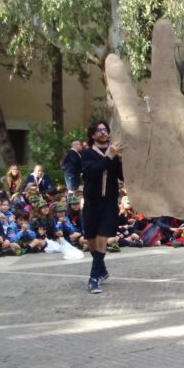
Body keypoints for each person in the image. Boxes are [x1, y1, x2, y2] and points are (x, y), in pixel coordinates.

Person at [81, 121, 124, 294]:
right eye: (99, 130)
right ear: (93, 135)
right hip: (92, 202)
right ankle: (102, 269)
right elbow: (92, 173)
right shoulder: (87, 154)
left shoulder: (115, 155)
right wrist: (109, 156)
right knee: (91, 241)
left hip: (109, 202)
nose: (103, 132)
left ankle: (93, 278)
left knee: (101, 239)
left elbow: (123, 175)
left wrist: (122, 159)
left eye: (105, 129)